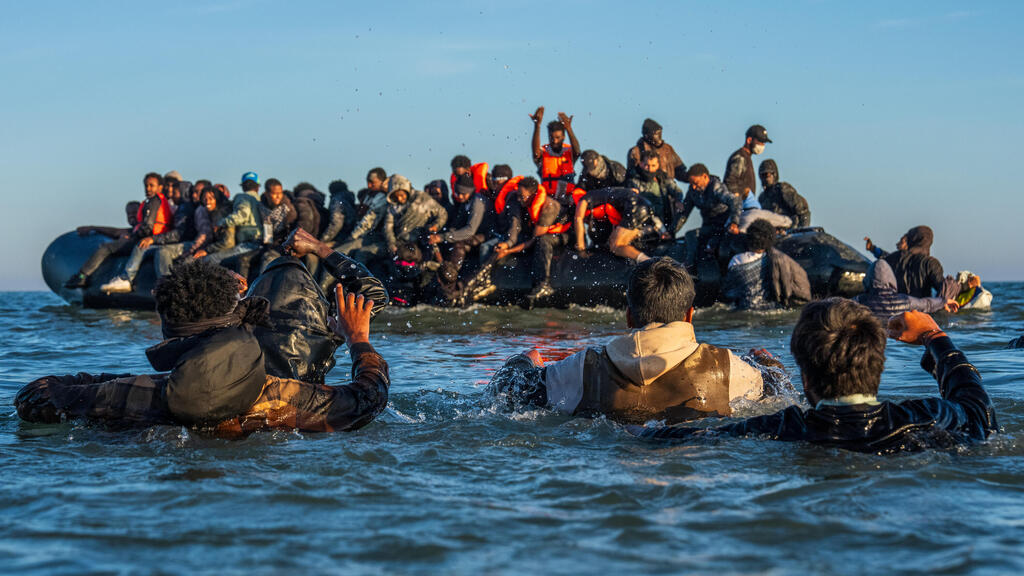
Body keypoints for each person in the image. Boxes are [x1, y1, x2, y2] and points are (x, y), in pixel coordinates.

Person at [16, 234, 390, 435]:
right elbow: (367, 400)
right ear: (239, 319)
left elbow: (37, 396)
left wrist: (103, 381)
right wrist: (359, 340)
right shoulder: (280, 395)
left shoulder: (145, 394)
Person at [633, 300, 999, 454]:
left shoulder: (781, 428)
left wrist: (634, 423)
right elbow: (978, 408)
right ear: (878, 367)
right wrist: (934, 337)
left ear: (805, 378)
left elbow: (688, 436)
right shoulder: (925, 417)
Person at [488, 257, 772, 424]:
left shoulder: (583, 368)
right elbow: (775, 391)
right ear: (689, 314)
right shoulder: (727, 368)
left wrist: (525, 361)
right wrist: (767, 362)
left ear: (628, 316)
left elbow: (508, 390)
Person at [65, 172, 173, 289]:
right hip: (155, 239)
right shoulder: (160, 202)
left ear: (160, 187)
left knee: (106, 247)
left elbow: (148, 227)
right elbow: (119, 231)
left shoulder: (154, 202)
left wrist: (134, 237)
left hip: (147, 240)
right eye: (146, 185)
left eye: (152, 185)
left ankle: (82, 277)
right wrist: (93, 228)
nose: (148, 189)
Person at [100, 175, 205, 293]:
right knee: (144, 247)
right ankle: (129, 279)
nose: (171, 194)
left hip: (185, 243)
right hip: (175, 240)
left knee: (154, 249)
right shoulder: (182, 208)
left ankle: (160, 284)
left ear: (183, 193)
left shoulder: (184, 208)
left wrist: (153, 239)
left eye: (175, 192)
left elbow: (178, 234)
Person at [494, 176, 571, 306]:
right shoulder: (525, 203)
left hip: (565, 235)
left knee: (543, 241)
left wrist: (508, 251)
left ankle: (544, 284)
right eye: (518, 195)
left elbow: (533, 241)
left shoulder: (549, 207)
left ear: (533, 195)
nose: (518, 200)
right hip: (543, 234)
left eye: (522, 197)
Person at [722, 219, 811, 310]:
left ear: (749, 238)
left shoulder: (736, 260)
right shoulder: (775, 261)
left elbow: (729, 290)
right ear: (770, 240)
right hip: (770, 308)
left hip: (743, 308)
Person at [573, 187, 665, 263]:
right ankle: (649, 235)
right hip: (644, 204)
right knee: (613, 242)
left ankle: (648, 262)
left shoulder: (584, 199)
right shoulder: (603, 193)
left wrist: (581, 248)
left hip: (634, 207)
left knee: (616, 247)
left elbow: (578, 219)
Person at [426, 173, 495, 275]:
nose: (460, 196)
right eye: (458, 193)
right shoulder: (465, 202)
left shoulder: (477, 202)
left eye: (463, 193)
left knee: (458, 244)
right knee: (449, 241)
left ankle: (451, 274)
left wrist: (442, 237)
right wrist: (443, 235)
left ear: (470, 191)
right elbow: (457, 224)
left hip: (486, 235)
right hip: (473, 234)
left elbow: (470, 231)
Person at [678, 163, 742, 267]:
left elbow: (734, 201)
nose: (693, 187)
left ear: (705, 177)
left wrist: (734, 222)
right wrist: (670, 231)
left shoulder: (716, 187)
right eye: (691, 184)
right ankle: (689, 265)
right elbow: (684, 213)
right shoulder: (692, 191)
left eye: (696, 183)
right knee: (690, 235)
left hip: (723, 227)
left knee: (716, 245)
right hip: (709, 227)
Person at [201, 171, 266, 271]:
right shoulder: (260, 200)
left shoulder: (242, 197)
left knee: (210, 260)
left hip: (248, 244)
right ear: (258, 187)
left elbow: (241, 216)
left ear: (243, 186)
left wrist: (221, 223)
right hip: (259, 243)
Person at [853, 259, 958, 321]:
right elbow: (926, 304)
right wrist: (944, 301)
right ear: (891, 279)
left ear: (867, 280)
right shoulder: (904, 301)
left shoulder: (859, 301)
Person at [864, 225, 946, 298]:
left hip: (896, 310)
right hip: (919, 312)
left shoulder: (894, 258)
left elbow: (883, 260)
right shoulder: (930, 263)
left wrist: (873, 249)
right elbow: (942, 287)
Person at [382, 174, 448, 257]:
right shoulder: (393, 207)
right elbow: (388, 227)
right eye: (396, 196)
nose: (399, 199)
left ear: (406, 190)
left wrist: (436, 225)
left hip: (421, 240)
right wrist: (391, 243)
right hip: (401, 242)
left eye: (401, 195)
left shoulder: (422, 198)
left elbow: (442, 213)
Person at [625, 150, 685, 233]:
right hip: (641, 223)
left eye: (653, 165)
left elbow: (677, 191)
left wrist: (678, 201)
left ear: (657, 165)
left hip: (663, 221)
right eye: (646, 165)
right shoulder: (632, 179)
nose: (649, 169)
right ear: (641, 164)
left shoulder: (663, 178)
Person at [338, 168, 390, 263]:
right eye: (368, 182)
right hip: (359, 234)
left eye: (372, 182)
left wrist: (352, 237)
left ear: (382, 182)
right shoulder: (369, 195)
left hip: (372, 236)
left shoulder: (383, 197)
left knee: (340, 254)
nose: (369, 185)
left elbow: (368, 222)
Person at [530, 106, 581, 200]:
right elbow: (536, 154)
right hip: (549, 199)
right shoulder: (544, 152)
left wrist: (568, 128)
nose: (555, 141)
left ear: (563, 137)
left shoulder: (569, 152)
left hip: (568, 198)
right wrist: (537, 126)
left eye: (558, 137)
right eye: (552, 138)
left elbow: (577, 152)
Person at [724, 125, 771, 203]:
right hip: (739, 208)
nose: (762, 145)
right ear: (749, 140)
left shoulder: (746, 157)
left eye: (764, 143)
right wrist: (738, 204)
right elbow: (730, 182)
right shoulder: (740, 158)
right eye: (760, 142)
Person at [757, 159, 810, 228]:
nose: (765, 178)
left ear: (774, 174)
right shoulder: (762, 198)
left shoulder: (783, 189)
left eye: (767, 174)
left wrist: (802, 231)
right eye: (762, 175)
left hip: (790, 232)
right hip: (772, 234)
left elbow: (803, 211)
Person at [320, 179, 358, 247]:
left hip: (341, 239)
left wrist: (322, 240)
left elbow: (336, 224)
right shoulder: (349, 200)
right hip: (350, 236)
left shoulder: (337, 201)